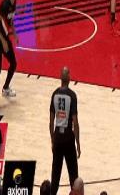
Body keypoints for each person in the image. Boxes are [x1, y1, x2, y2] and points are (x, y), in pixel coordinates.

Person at [50, 67, 80, 195]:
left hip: (57, 136)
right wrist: (78, 143)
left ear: (60, 78)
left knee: (55, 176)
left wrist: (53, 140)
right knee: (73, 176)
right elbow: (75, 122)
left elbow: (51, 122)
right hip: (68, 137)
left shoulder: (54, 94)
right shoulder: (72, 96)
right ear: (69, 78)